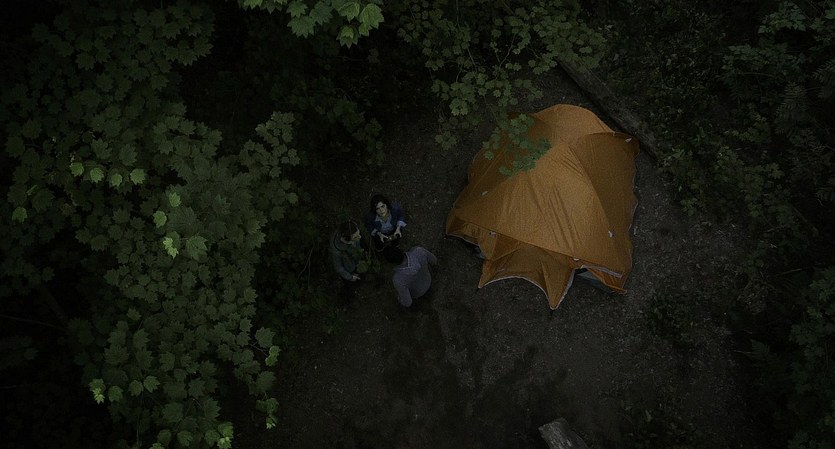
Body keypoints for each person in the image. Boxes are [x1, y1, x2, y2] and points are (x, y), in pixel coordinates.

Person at [329, 220, 365, 304]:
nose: (360, 237)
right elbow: (338, 267)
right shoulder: (336, 250)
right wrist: (350, 277)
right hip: (348, 267)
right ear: (346, 240)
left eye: (359, 233)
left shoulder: (351, 230)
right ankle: (346, 299)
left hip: (356, 259)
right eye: (356, 237)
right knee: (350, 284)